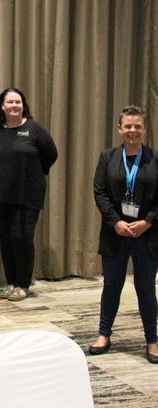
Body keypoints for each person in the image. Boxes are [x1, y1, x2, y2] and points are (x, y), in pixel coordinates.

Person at [89, 105, 158, 363]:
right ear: (119, 129)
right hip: (115, 233)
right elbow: (100, 192)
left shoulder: (155, 158)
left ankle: (152, 339)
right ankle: (104, 334)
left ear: (144, 129)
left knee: (146, 288)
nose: (132, 131)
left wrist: (148, 221)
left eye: (137, 126)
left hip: (147, 236)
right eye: (127, 126)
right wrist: (116, 221)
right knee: (111, 286)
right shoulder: (107, 157)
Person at [0, 88, 58, 301]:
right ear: (2, 106)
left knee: (22, 238)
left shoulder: (35, 129)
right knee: (5, 239)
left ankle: (23, 284)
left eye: (18, 102)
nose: (15, 105)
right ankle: (11, 282)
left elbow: (51, 154)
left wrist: (32, 172)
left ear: (23, 106)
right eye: (10, 102)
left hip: (28, 195)